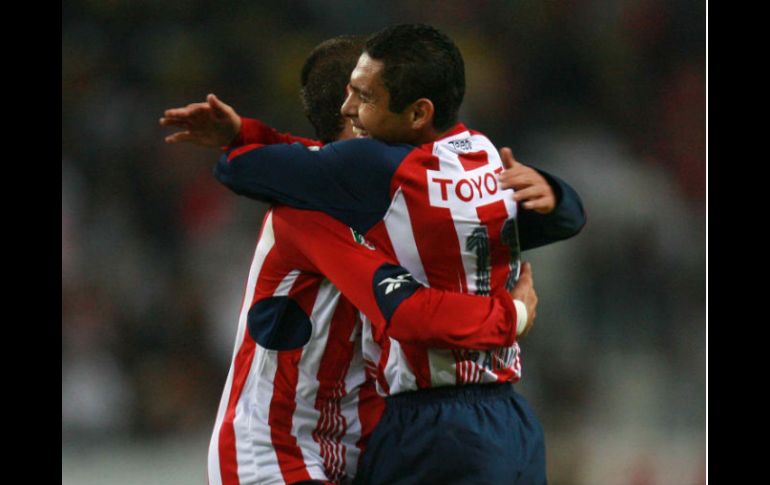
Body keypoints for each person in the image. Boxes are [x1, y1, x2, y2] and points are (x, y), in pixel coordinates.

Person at [206, 24, 586, 485]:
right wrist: (514, 315)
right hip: (278, 448)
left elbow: (519, 224)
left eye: (365, 97)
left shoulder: (405, 193)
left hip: (366, 441)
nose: (357, 110)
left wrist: (553, 194)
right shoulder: (316, 211)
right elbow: (410, 313)